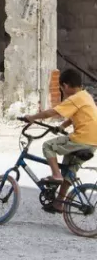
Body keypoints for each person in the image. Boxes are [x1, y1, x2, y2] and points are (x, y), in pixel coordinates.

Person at [25, 68, 97, 214]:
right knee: (69, 170)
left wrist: (32, 117)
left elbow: (52, 112)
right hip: (93, 142)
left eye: (62, 89)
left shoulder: (74, 98)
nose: (63, 92)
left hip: (81, 139)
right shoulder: (85, 96)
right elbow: (74, 116)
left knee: (48, 146)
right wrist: (61, 127)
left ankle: (55, 175)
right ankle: (59, 203)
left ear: (66, 86)